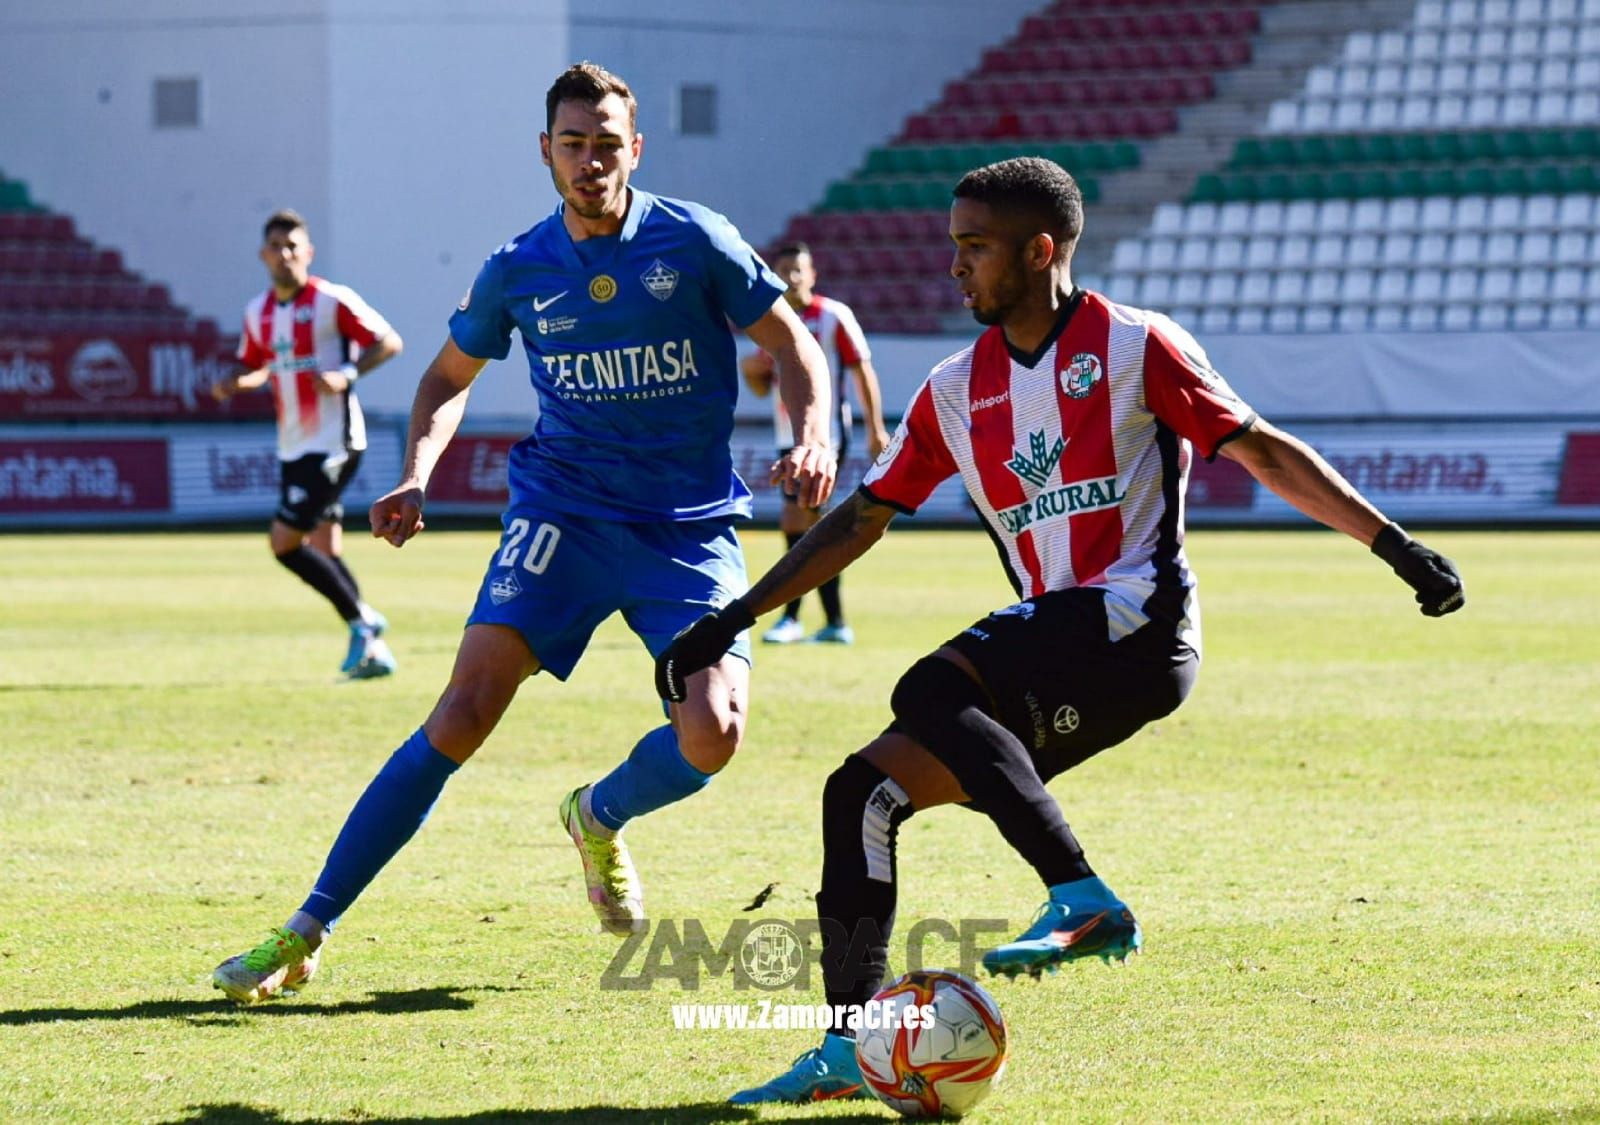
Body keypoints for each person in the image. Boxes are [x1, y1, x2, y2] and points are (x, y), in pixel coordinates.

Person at [655, 157, 1465, 1104]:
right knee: (860, 794)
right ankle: (850, 1049)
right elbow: (863, 514)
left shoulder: (1135, 346)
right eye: (953, 246)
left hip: (1138, 622)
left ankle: (1081, 898)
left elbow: (1261, 448)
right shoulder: (957, 388)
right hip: (1064, 652)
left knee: (929, 686)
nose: (955, 267)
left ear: (1041, 251)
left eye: (975, 248)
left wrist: (1394, 545)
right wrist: (734, 617)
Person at [211, 62, 837, 1004]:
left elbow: (793, 344)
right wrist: (416, 474)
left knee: (712, 735)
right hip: (564, 515)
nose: (591, 161)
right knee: (463, 710)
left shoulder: (695, 240)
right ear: (546, 150)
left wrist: (813, 433)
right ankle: (306, 927)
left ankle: (598, 813)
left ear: (637, 148)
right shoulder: (516, 268)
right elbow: (441, 381)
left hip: (687, 528)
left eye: (608, 144)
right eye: (573, 144)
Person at [212, 209, 404, 679]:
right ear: (263, 255)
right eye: (276, 246)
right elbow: (259, 365)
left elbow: (389, 341)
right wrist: (238, 382)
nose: (285, 254)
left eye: (293, 246)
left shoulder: (331, 301)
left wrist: (346, 373)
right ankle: (373, 651)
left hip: (334, 442)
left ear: (309, 253)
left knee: (283, 544)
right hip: (293, 444)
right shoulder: (256, 312)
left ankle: (362, 620)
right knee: (325, 548)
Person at [740, 242, 891, 645]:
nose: (791, 277)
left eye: (797, 269)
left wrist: (875, 428)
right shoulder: (773, 322)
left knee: (799, 518)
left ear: (812, 274)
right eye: (783, 269)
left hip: (825, 436)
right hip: (784, 436)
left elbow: (862, 372)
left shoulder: (834, 316)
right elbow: (761, 388)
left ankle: (792, 617)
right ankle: (833, 620)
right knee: (812, 523)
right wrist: (751, 372)